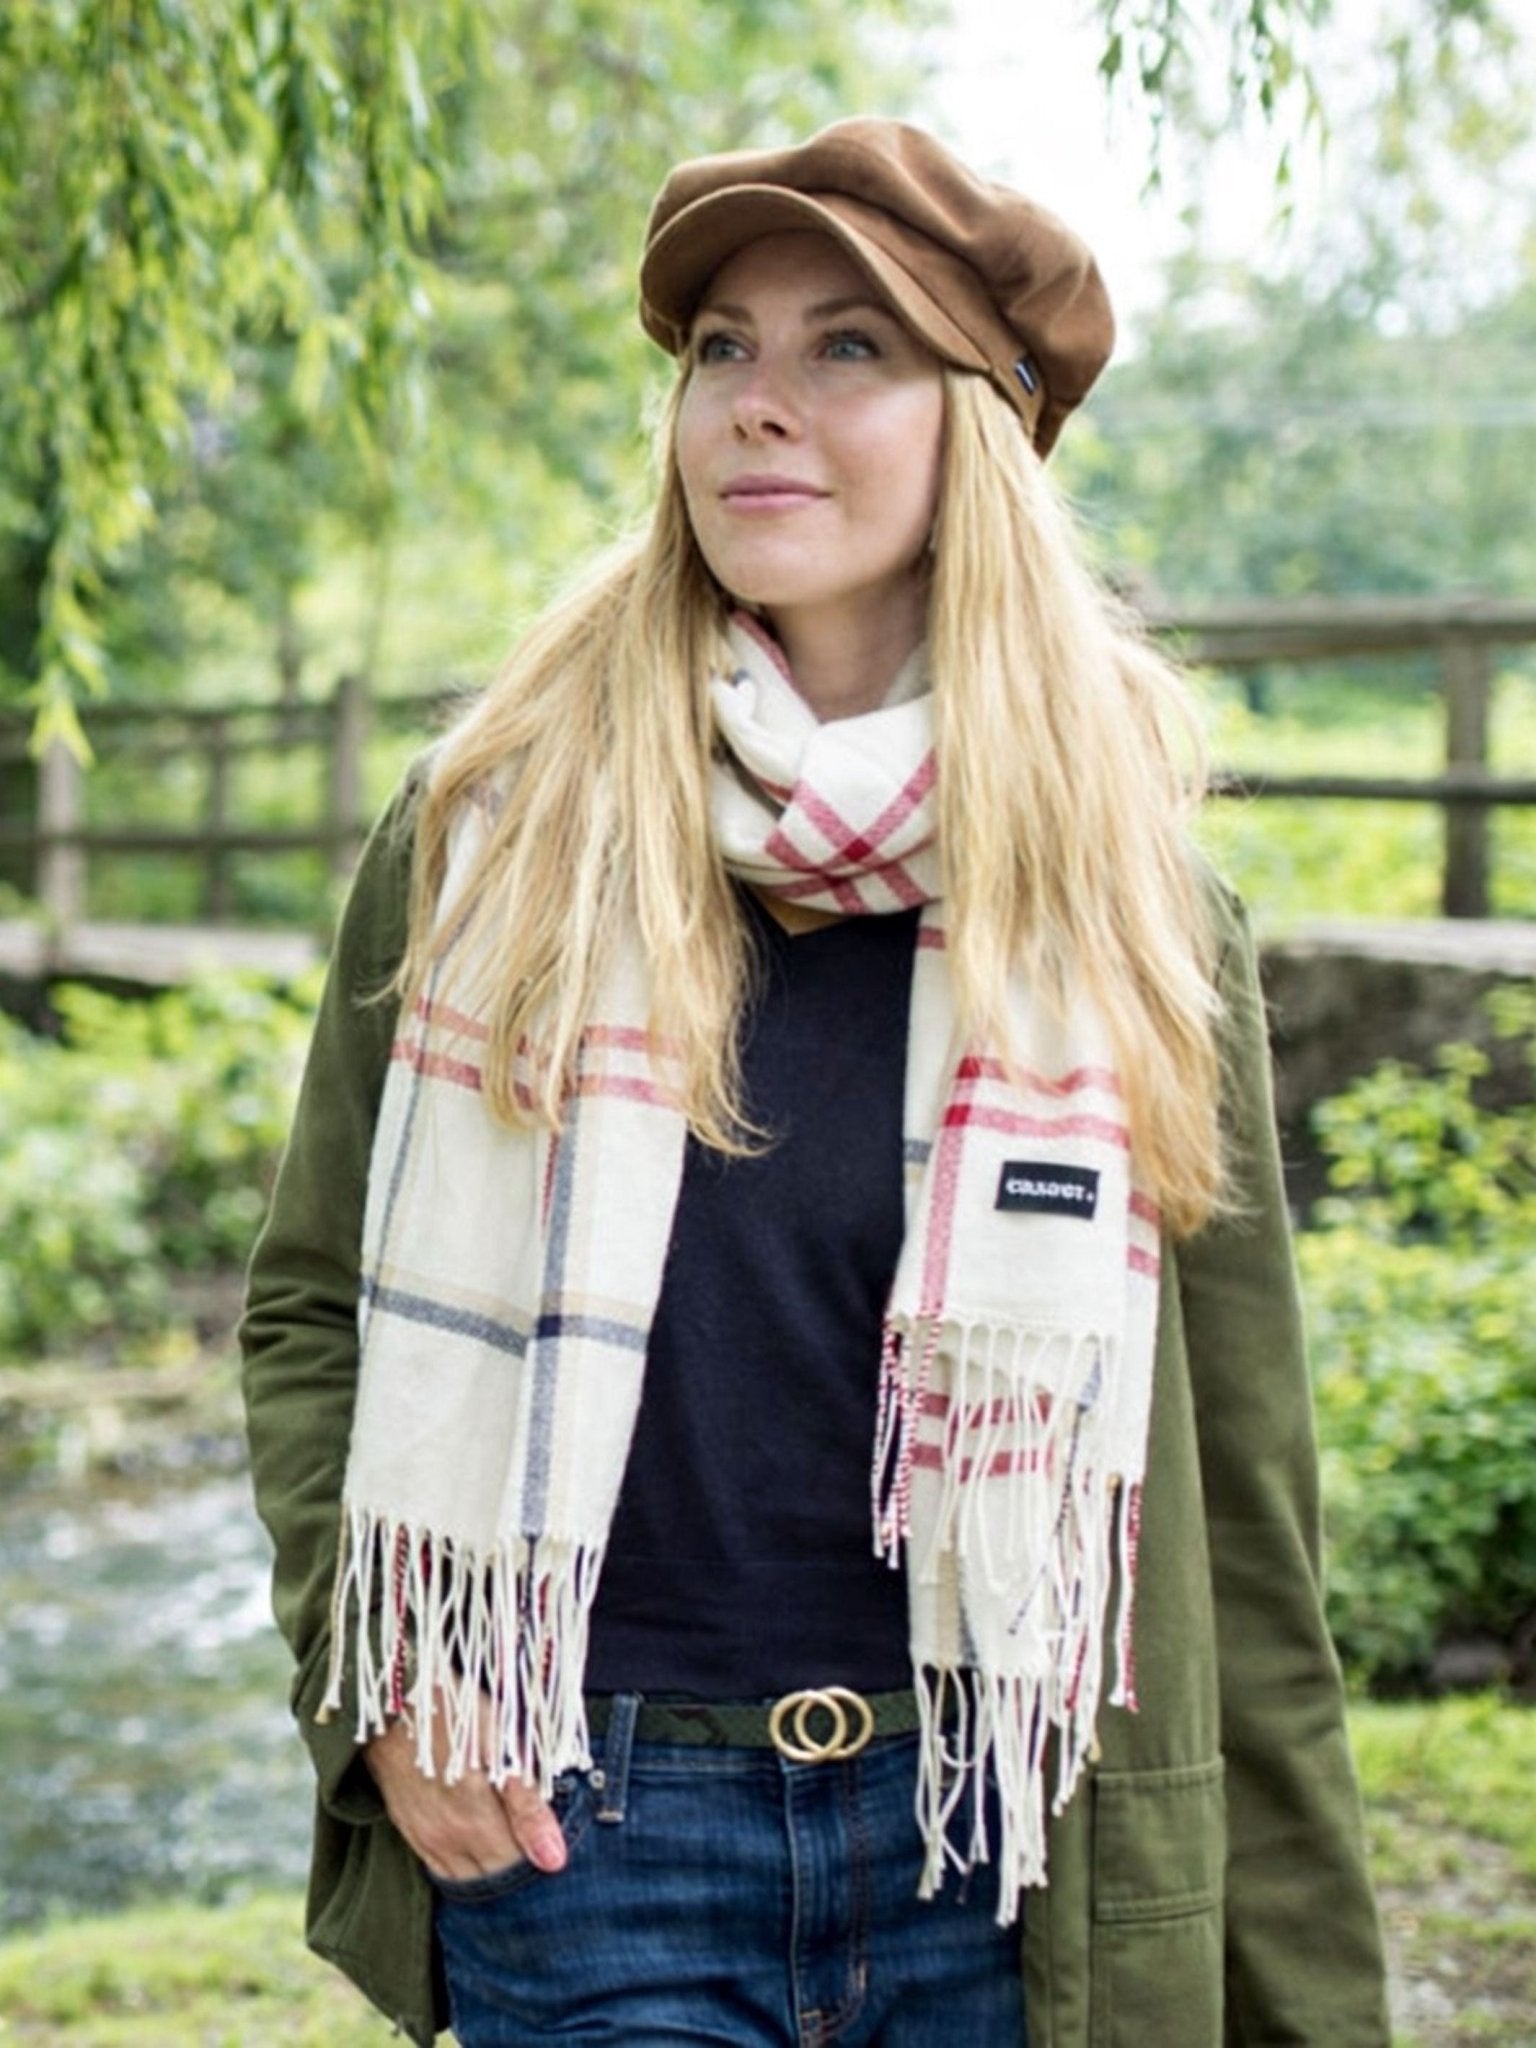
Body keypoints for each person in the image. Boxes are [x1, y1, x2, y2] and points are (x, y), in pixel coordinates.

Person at [241, 118, 1391, 2047]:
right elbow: (307, 1310)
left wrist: (1306, 1994)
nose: (758, 404)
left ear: (983, 428)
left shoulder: (1129, 901)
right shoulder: (493, 836)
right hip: (584, 1832)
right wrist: (383, 1695)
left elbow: (1239, 1502)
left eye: (848, 346)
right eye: (723, 350)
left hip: (1001, 1837)